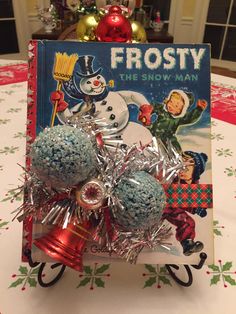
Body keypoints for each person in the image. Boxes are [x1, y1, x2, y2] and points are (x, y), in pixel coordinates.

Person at [162, 151, 208, 256]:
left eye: (186, 168)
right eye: (180, 167)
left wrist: (196, 208)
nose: (182, 171)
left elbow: (187, 200)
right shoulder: (174, 179)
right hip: (161, 205)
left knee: (188, 222)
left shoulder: (193, 187)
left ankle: (187, 244)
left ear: (195, 172)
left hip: (173, 210)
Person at [138, 89, 208, 152]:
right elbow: (153, 106)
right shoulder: (162, 109)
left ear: (182, 110)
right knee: (144, 138)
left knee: (174, 146)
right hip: (153, 131)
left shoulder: (179, 118)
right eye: (171, 102)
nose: (171, 106)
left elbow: (190, 118)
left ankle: (178, 158)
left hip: (167, 137)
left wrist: (199, 109)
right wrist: (147, 112)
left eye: (176, 106)